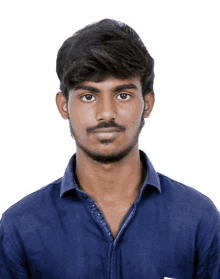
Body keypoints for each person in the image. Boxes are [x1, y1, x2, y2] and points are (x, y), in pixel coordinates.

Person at [0, 19, 219, 279]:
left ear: (147, 103)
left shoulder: (198, 219)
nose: (106, 113)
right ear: (63, 105)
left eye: (123, 95)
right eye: (88, 96)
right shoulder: (20, 226)